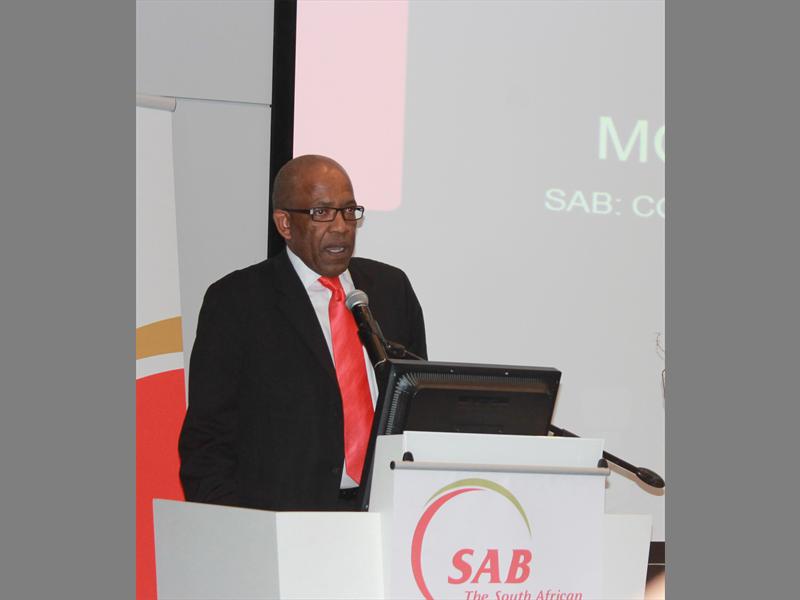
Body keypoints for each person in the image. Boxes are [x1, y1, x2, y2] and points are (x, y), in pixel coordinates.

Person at [178, 155, 427, 511]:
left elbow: (419, 409)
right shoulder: (237, 302)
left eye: (349, 211)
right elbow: (208, 440)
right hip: (285, 519)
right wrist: (235, 528)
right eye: (321, 213)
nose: (341, 227)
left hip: (385, 511)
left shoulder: (391, 290)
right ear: (285, 223)